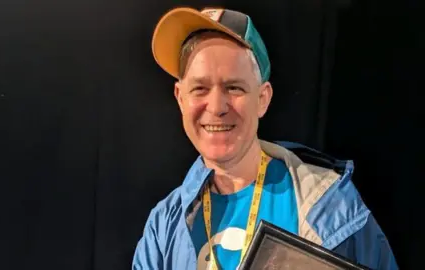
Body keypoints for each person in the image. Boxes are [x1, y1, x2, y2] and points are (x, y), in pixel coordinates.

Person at [132, 6, 398, 270]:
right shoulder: (165, 223)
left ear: (262, 99)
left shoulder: (331, 206)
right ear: (181, 98)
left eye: (233, 87)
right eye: (200, 88)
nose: (216, 106)